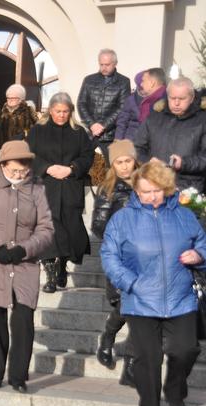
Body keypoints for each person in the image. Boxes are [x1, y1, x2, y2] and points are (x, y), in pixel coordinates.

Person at [100, 161, 206, 406]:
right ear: (136, 189)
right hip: (140, 301)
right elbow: (109, 256)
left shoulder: (184, 216)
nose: (151, 196)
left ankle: (174, 391)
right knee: (148, 359)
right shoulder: (122, 219)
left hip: (180, 297)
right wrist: (130, 283)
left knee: (186, 349)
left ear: (167, 188)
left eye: (156, 191)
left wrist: (199, 257)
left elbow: (202, 244)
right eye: (144, 191)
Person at [0, 140, 54, 393]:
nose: (19, 175)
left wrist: (25, 248)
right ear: (2, 164)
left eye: (23, 171)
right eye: (14, 171)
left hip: (24, 262)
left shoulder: (37, 188)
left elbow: (46, 228)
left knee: (23, 319)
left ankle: (18, 376)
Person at [28, 92, 94, 293]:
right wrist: (47, 168)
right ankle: (49, 274)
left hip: (70, 186)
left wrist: (72, 168)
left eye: (65, 111)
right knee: (48, 230)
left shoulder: (79, 132)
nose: (61, 115)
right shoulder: (38, 130)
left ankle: (62, 265)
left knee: (72, 231)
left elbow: (87, 156)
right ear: (51, 110)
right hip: (45, 186)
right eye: (58, 111)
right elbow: (29, 154)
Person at [90, 139, 139, 387]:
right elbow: (98, 226)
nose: (123, 166)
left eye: (127, 160)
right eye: (118, 162)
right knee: (125, 308)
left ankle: (130, 365)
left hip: (146, 259)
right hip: (119, 258)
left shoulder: (147, 184)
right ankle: (108, 338)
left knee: (138, 313)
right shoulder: (108, 189)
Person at [135, 76, 206, 191]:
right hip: (156, 184)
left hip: (188, 189)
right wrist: (148, 161)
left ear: (192, 98)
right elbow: (137, 148)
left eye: (182, 98)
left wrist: (183, 163)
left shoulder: (203, 120)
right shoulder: (154, 118)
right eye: (172, 98)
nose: (176, 103)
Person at [77, 48, 131, 159]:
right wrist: (92, 124)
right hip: (90, 133)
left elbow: (122, 108)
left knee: (113, 167)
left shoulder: (124, 82)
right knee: (81, 162)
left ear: (115, 63)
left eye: (107, 65)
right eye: (101, 64)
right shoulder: (89, 80)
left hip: (110, 135)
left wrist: (103, 126)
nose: (103, 68)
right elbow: (81, 103)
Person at [115, 68, 166, 141]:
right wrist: (118, 139)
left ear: (152, 83)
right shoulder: (132, 99)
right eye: (140, 84)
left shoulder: (162, 100)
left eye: (143, 81)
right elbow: (122, 121)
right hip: (131, 139)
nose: (141, 85)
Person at [0, 84, 37, 159]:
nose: (10, 100)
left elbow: (36, 131)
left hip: (21, 152)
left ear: (20, 99)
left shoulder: (28, 111)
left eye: (13, 98)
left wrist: (24, 136)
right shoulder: (2, 113)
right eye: (8, 98)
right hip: (5, 151)